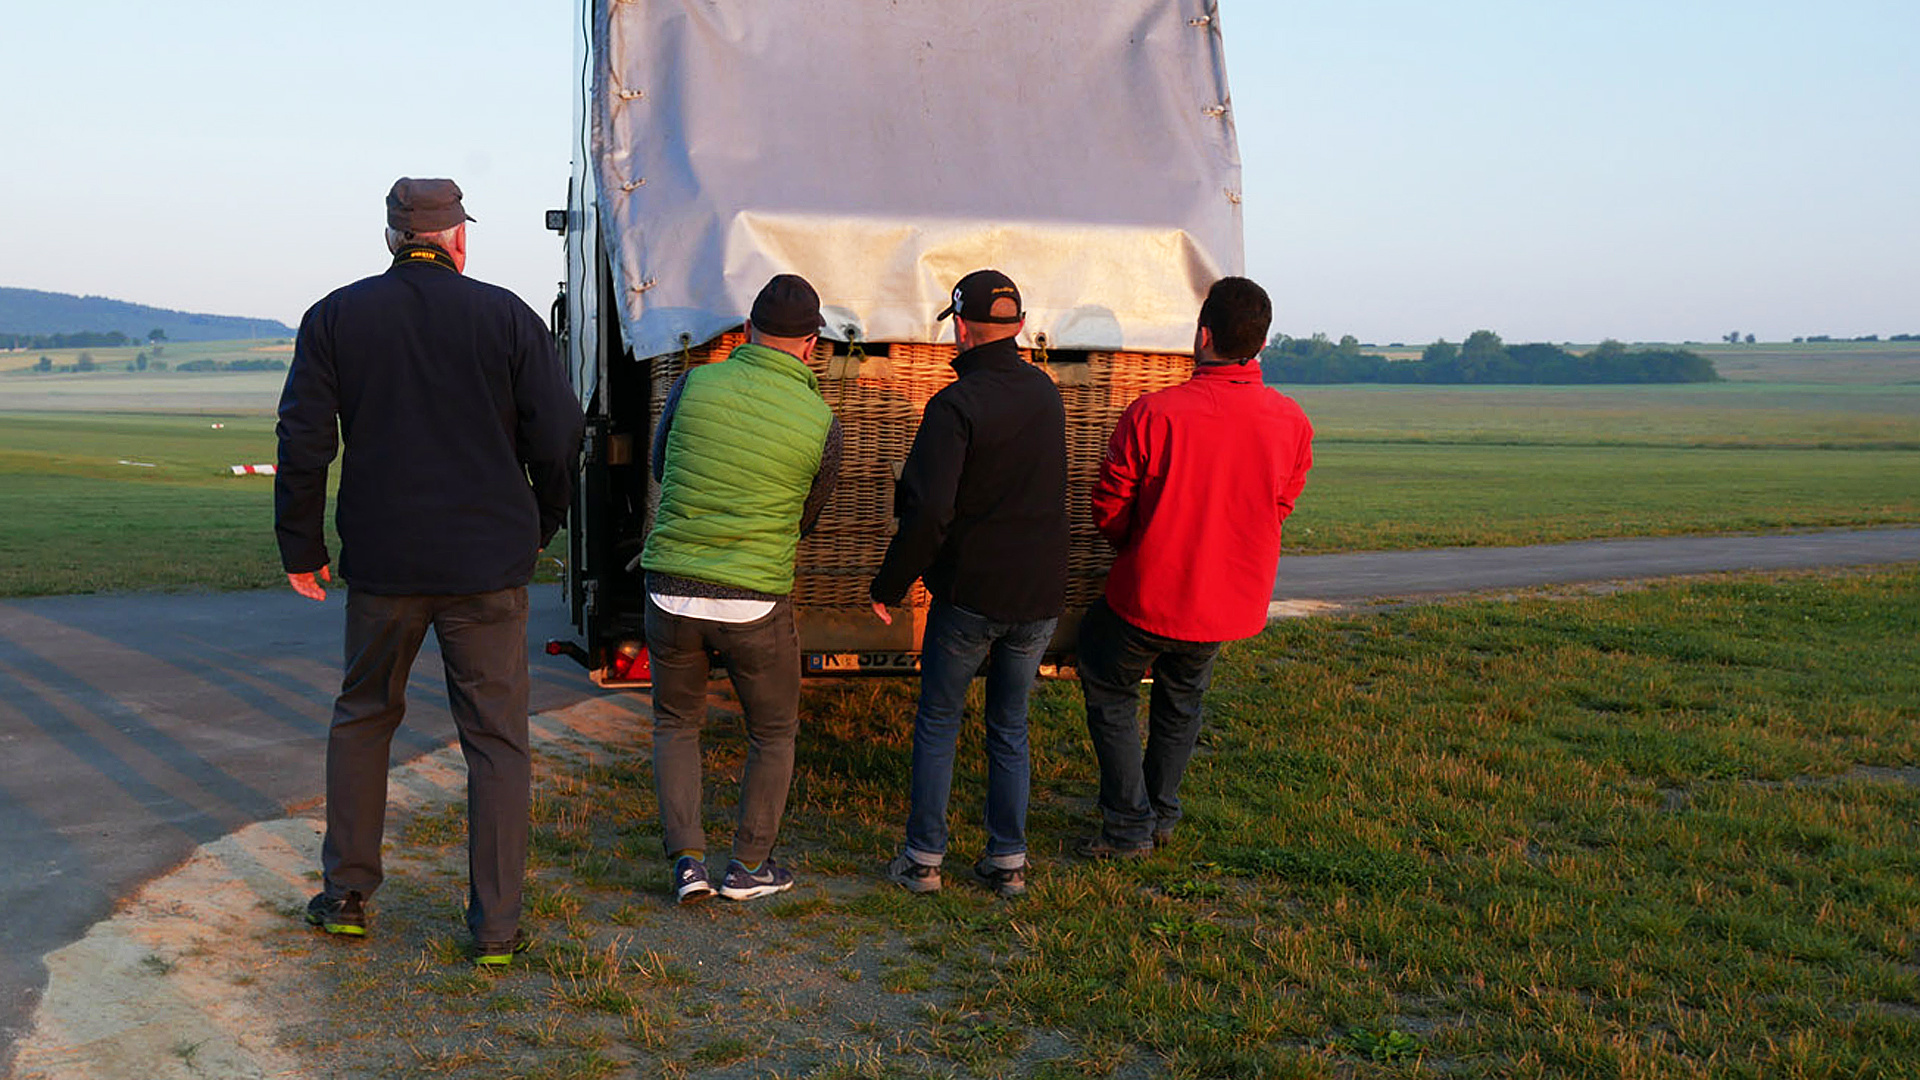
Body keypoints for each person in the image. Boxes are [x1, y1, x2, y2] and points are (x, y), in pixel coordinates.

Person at [276, 177, 584, 965]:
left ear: (390, 238)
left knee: (364, 717)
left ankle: (346, 894)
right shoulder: (507, 316)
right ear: (458, 239)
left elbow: (304, 440)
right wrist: (542, 522)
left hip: (384, 564)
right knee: (495, 742)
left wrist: (301, 548)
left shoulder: (336, 316)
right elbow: (557, 437)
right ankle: (497, 928)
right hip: (487, 565)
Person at [1075, 276, 1313, 858]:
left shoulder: (1154, 413)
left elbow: (1110, 504)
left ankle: (1129, 824)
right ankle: (1161, 814)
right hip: (1228, 604)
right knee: (1182, 700)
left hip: (1148, 596)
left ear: (1202, 335)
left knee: (1108, 684)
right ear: (1260, 344)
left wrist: (1140, 545)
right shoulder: (1292, 422)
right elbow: (1280, 505)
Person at [640, 273, 842, 904]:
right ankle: (749, 867)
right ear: (811, 344)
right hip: (755, 599)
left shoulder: (694, 383)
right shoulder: (819, 419)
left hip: (670, 588)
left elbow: (659, 463)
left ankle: (688, 866)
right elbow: (810, 512)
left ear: (748, 331)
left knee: (676, 722)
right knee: (773, 731)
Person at [870, 269, 1068, 899]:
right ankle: (1007, 860)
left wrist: (889, 584)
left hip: (971, 597)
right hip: (1038, 599)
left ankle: (924, 859)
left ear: (960, 326)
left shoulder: (954, 407)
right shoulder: (1047, 395)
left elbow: (930, 513)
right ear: (1015, 327)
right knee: (1010, 726)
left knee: (939, 720)